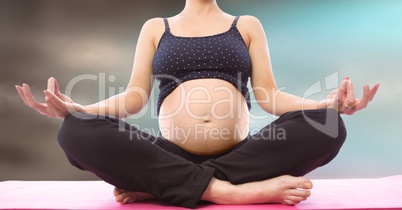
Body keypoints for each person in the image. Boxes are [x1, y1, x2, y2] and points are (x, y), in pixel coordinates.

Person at [15, 0, 379, 208]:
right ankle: (222, 190)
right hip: (169, 153)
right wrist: (75, 110)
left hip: (241, 154)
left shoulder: (246, 24)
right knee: (75, 132)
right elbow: (134, 98)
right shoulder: (156, 27)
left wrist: (325, 105)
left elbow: (269, 97)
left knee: (329, 126)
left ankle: (165, 185)